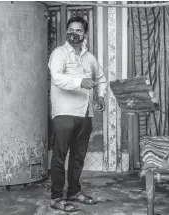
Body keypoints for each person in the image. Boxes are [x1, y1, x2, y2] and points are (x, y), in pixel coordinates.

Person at [48, 16, 107, 212]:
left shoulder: (89, 58)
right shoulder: (59, 53)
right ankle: (56, 197)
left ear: (84, 34)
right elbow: (57, 78)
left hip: (85, 114)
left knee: (78, 157)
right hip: (64, 113)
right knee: (59, 157)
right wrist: (80, 82)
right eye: (71, 30)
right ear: (67, 31)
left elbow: (101, 78)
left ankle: (73, 191)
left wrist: (100, 96)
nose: (74, 33)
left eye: (79, 31)